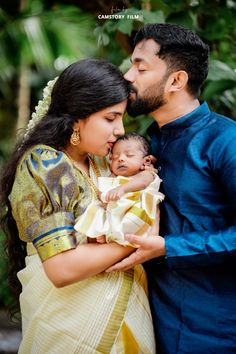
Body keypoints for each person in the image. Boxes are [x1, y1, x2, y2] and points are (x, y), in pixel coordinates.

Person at [0, 59, 156, 353]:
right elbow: (62, 269)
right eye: (110, 118)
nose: (119, 130)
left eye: (121, 119)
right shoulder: (46, 164)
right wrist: (137, 243)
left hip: (127, 324)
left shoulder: (103, 164)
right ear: (76, 118)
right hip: (68, 328)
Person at [106, 23, 236, 353]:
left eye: (140, 66)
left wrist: (169, 247)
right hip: (148, 324)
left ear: (177, 80)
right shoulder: (143, 144)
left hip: (213, 331)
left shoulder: (226, 141)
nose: (129, 77)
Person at [75, 132, 164, 245]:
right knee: (96, 210)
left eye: (129, 155)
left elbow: (142, 182)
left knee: (129, 219)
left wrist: (122, 189)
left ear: (146, 161)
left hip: (137, 210)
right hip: (117, 209)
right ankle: (108, 234)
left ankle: (115, 236)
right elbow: (104, 188)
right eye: (115, 157)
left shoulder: (146, 174)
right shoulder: (115, 176)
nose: (120, 159)